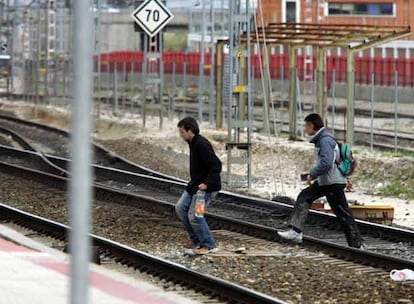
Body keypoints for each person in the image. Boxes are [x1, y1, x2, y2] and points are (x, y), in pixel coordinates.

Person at [278, 113, 364, 249]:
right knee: (307, 197)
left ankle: (357, 245)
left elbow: (326, 163)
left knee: (341, 212)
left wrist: (312, 174)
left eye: (306, 126)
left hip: (332, 182)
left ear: (312, 125)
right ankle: (296, 231)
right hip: (329, 181)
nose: (305, 129)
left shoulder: (324, 140)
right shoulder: (324, 139)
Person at [175, 117, 222, 254]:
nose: (180, 135)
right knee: (180, 208)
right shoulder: (192, 142)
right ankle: (196, 239)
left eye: (182, 132)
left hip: (206, 188)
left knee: (196, 215)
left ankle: (209, 244)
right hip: (195, 186)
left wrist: (207, 183)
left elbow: (216, 165)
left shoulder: (201, 144)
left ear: (190, 131)